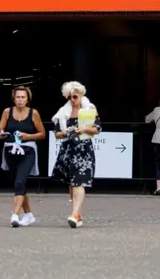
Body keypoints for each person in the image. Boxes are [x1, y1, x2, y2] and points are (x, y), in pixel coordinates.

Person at [51, 81, 101, 228]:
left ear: (80, 96)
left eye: (75, 97)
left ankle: (74, 214)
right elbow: (56, 134)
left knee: (79, 181)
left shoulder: (90, 109)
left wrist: (84, 129)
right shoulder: (63, 113)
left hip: (84, 149)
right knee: (72, 184)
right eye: (69, 97)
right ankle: (77, 215)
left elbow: (97, 129)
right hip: (68, 149)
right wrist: (67, 131)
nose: (72, 100)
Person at [0, 86, 46, 227]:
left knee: (20, 181)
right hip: (10, 150)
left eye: (23, 97)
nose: (20, 100)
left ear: (27, 99)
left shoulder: (33, 113)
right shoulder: (7, 112)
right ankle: (29, 215)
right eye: (18, 97)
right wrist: (0, 134)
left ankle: (15, 215)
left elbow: (42, 133)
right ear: (14, 98)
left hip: (27, 150)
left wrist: (28, 136)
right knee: (19, 185)